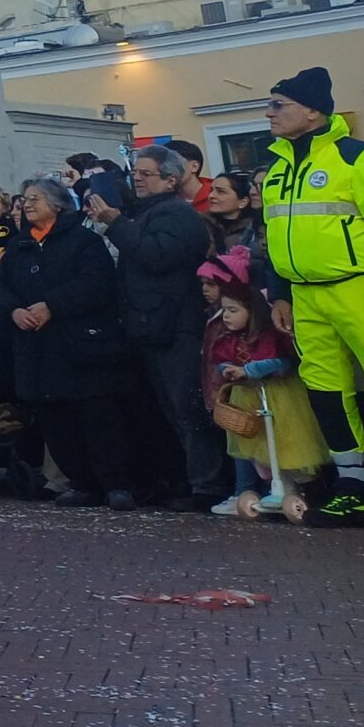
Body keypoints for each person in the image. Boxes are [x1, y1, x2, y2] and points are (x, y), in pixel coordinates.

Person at [256, 67, 364, 527]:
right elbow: (273, 237)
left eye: (278, 104)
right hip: (304, 296)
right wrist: (280, 294)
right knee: (326, 389)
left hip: (357, 285)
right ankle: (354, 484)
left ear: (312, 110)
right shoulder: (279, 169)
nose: (268, 112)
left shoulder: (355, 158)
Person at [3, 175, 138, 510]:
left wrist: (53, 305)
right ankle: (82, 483)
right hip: (36, 348)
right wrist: (13, 310)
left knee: (98, 418)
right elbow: (0, 287)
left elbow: (96, 284)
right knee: (55, 421)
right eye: (25, 197)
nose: (27, 203)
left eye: (36, 197)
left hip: (80, 346)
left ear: (59, 204)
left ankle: (116, 484)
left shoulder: (82, 241)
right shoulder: (18, 247)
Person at [109, 145, 227, 510]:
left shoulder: (178, 215)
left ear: (170, 179)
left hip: (176, 326)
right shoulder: (149, 213)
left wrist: (116, 225)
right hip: (154, 326)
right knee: (172, 410)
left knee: (188, 409)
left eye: (146, 173)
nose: (137, 179)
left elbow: (155, 256)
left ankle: (208, 487)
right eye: (136, 173)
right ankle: (189, 482)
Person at [199, 248, 327, 516]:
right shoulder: (228, 337)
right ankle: (270, 488)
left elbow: (283, 361)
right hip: (249, 398)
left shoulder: (267, 336)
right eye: (224, 311)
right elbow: (220, 359)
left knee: (288, 444)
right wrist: (228, 370)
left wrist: (251, 370)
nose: (226, 316)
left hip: (279, 398)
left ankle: (300, 488)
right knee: (257, 447)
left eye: (233, 310)